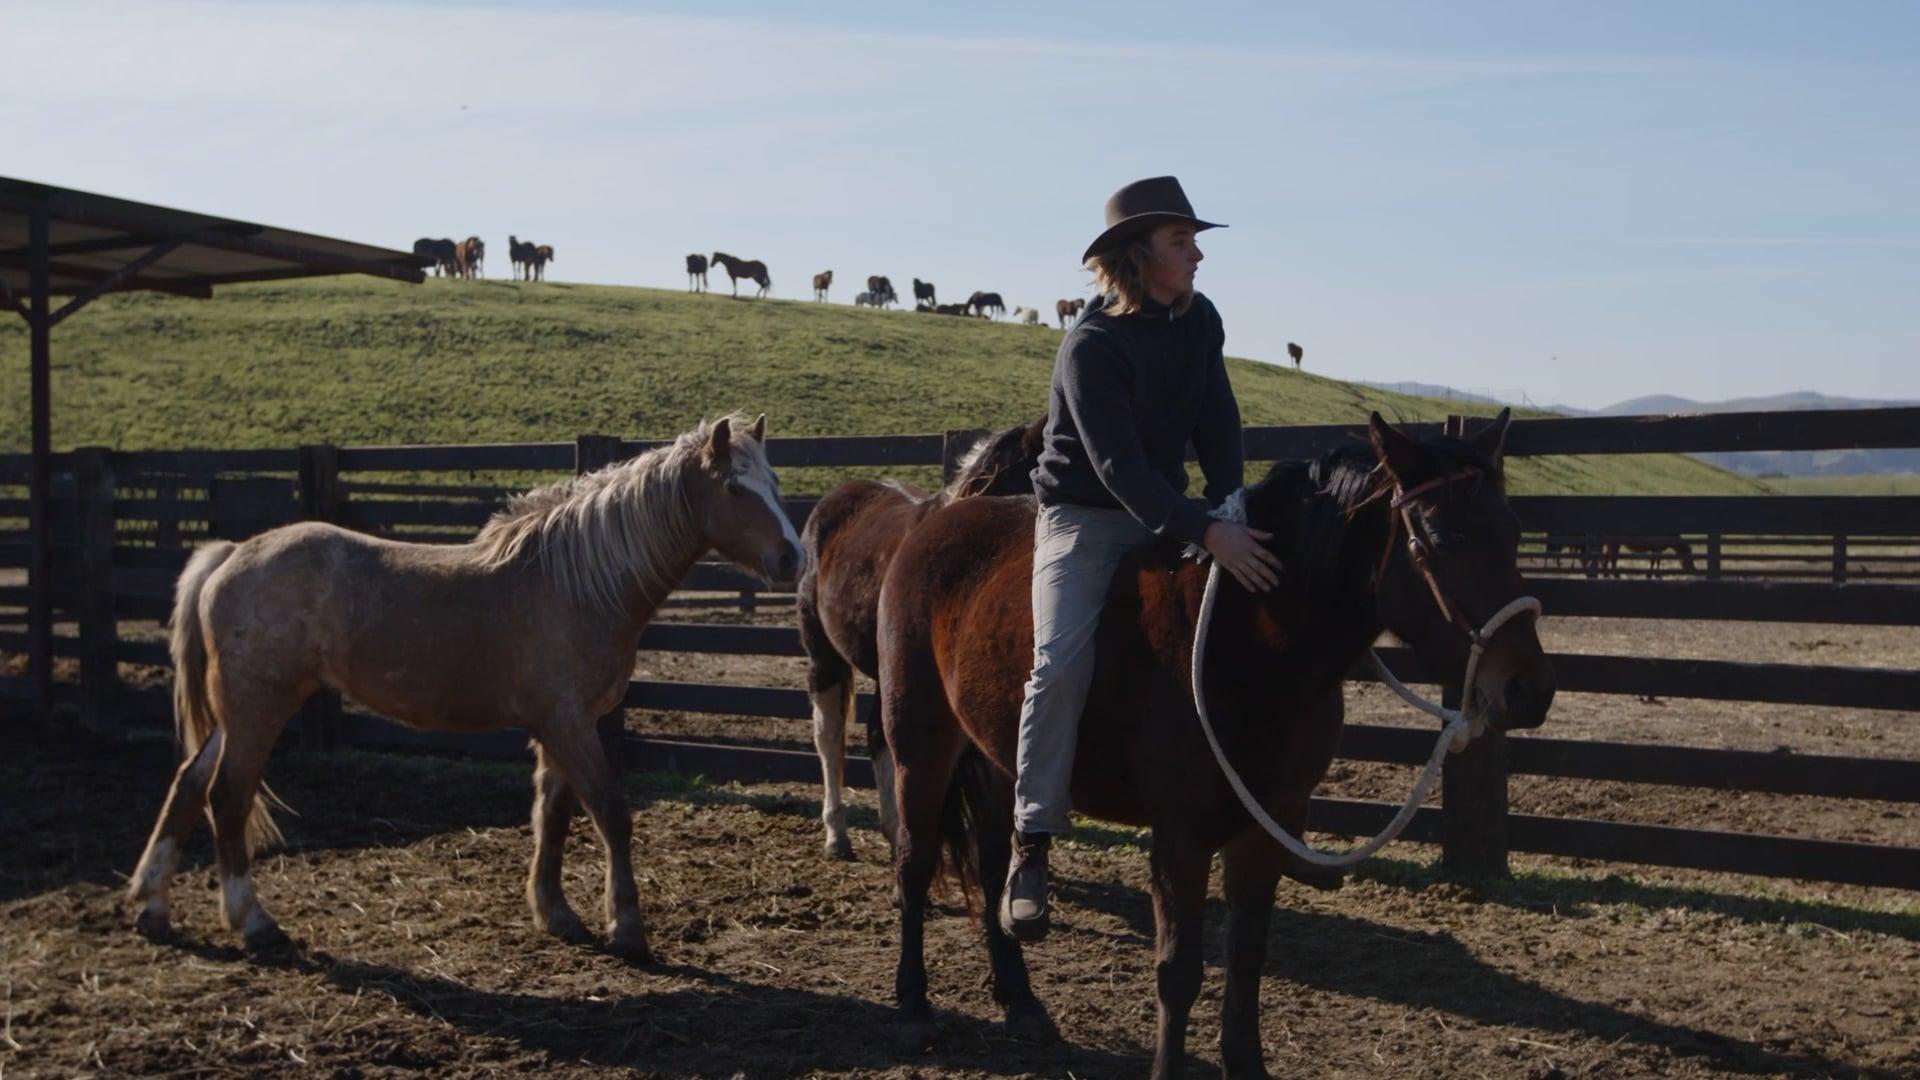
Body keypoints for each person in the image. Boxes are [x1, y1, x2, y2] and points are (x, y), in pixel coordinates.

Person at [1003, 176, 1282, 941]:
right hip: (1085, 520)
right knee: (1057, 664)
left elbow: (1218, 421)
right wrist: (1203, 528)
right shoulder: (1091, 347)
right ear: (1138, 256)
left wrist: (1229, 504)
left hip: (1174, 513)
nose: (1197, 256)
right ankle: (1031, 841)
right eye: (1181, 243)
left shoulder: (1201, 322)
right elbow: (1120, 468)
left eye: (1194, 241)